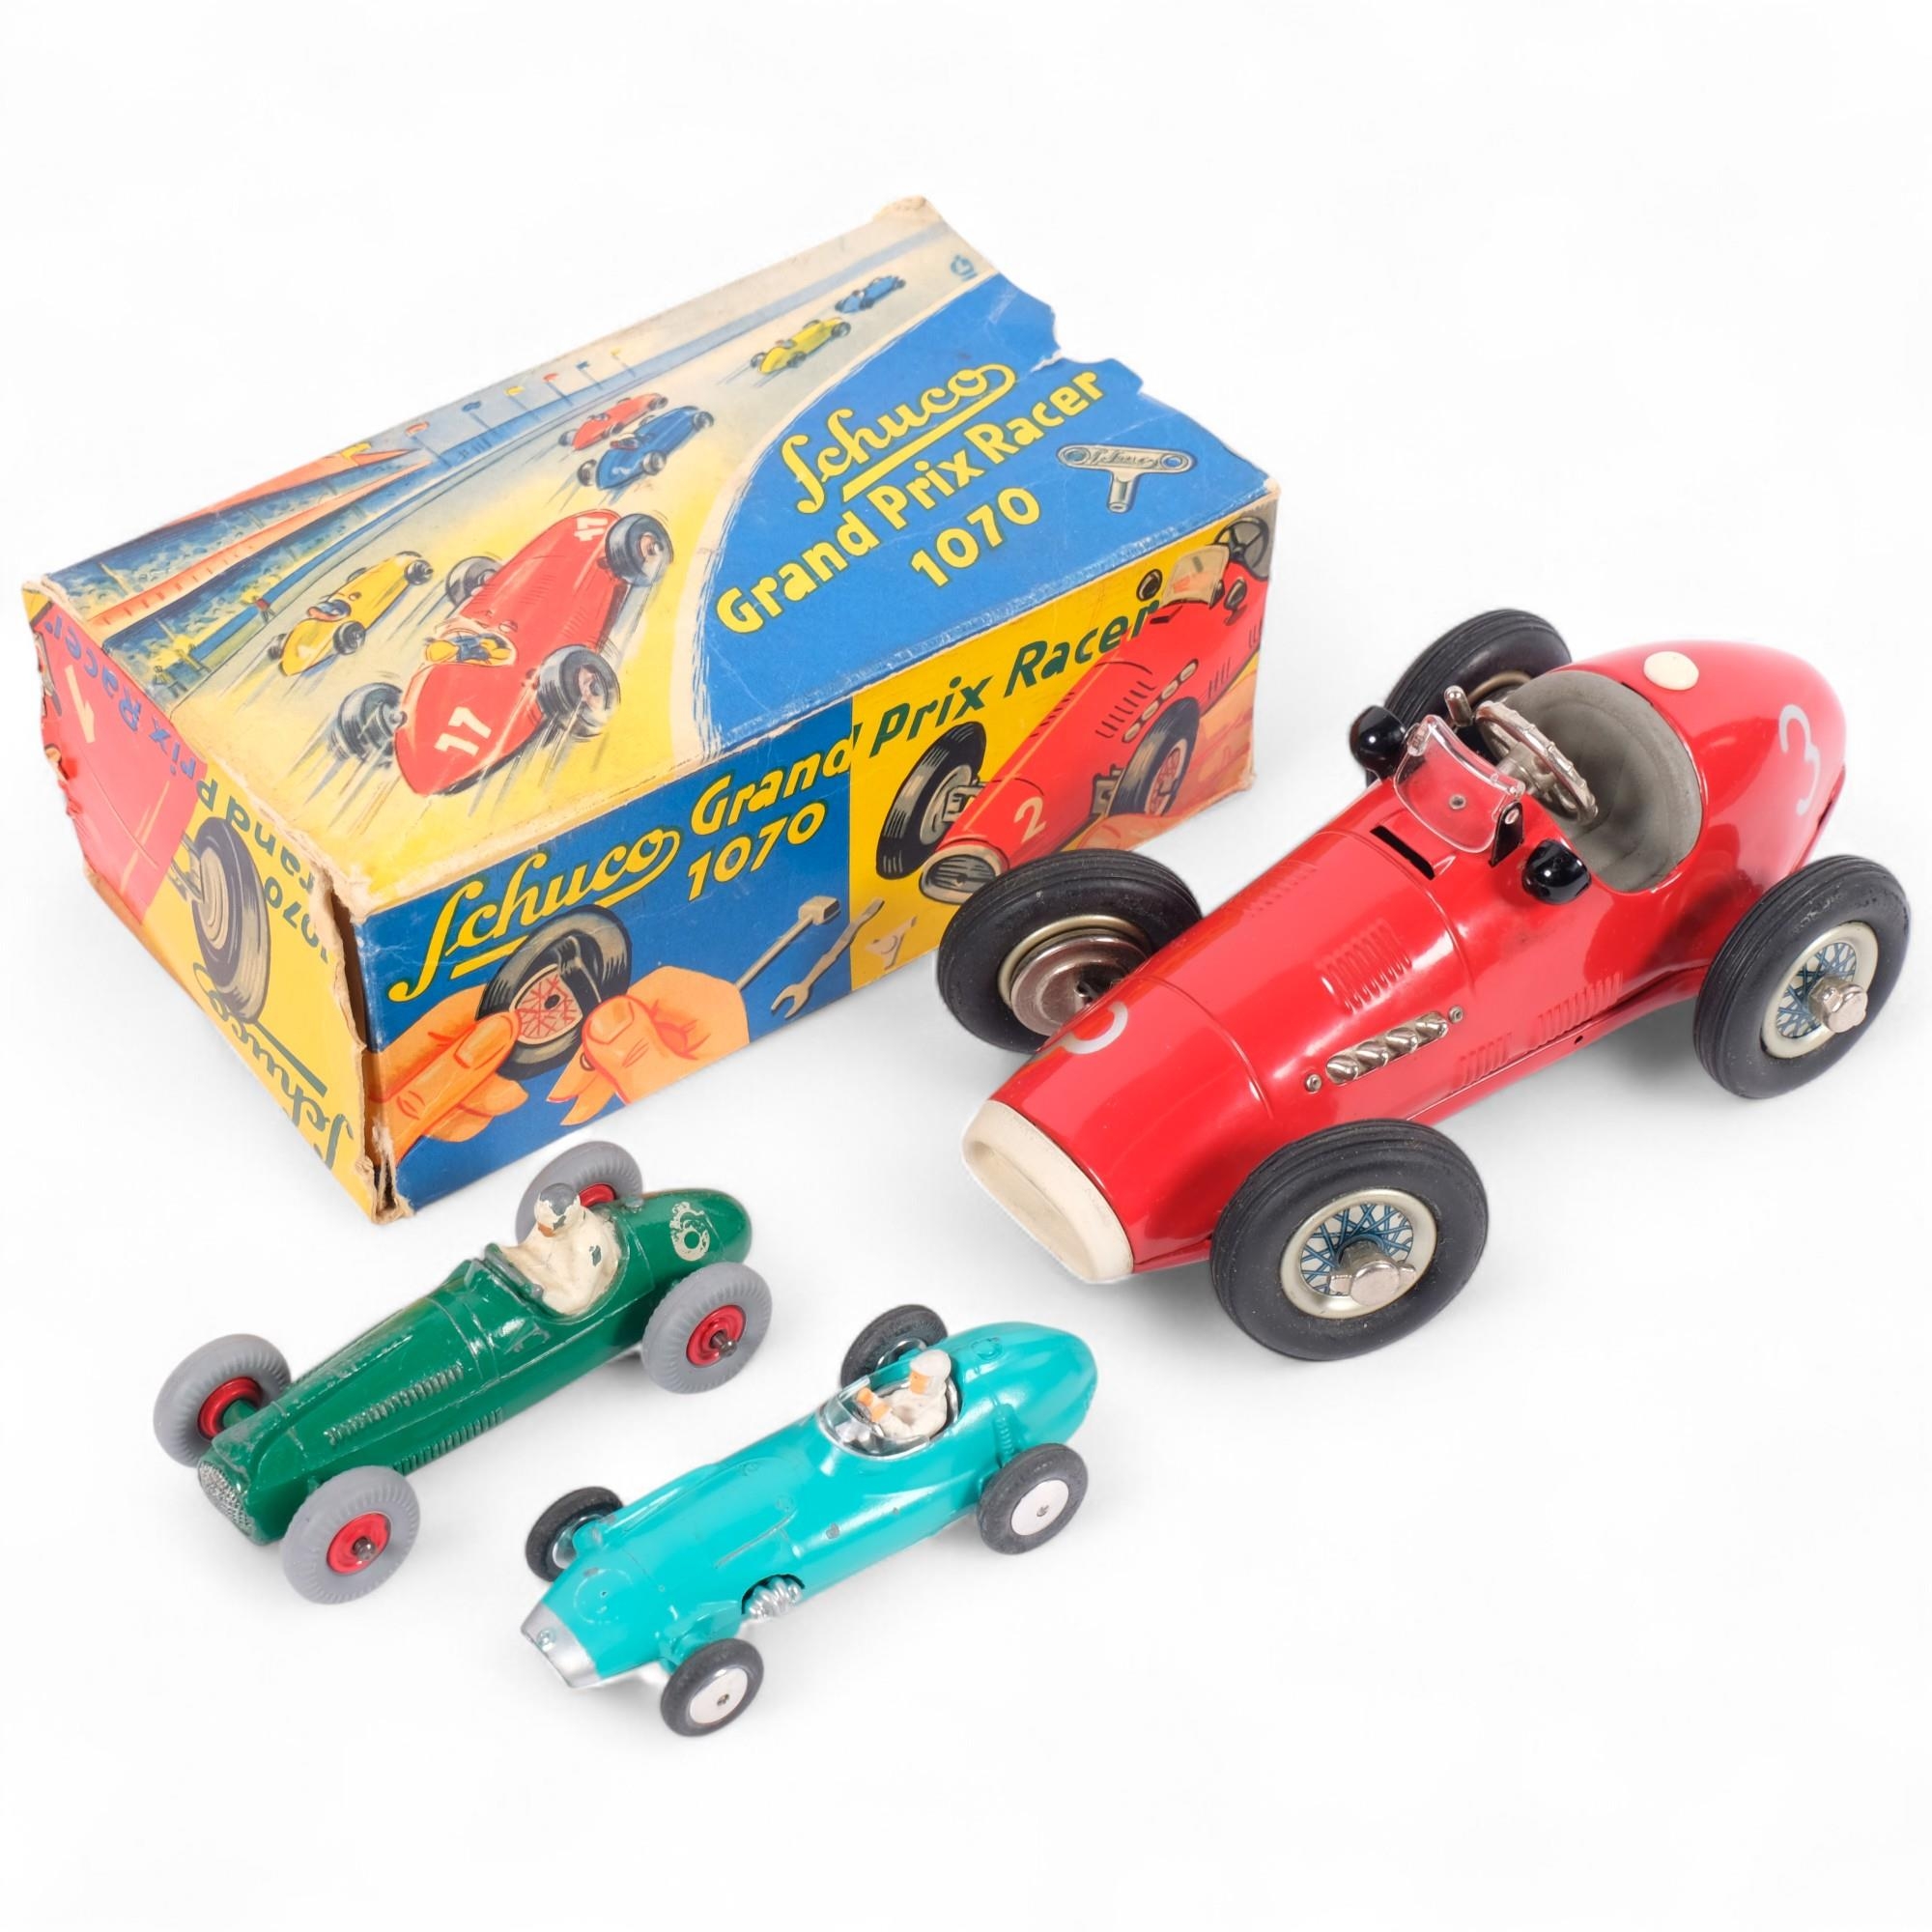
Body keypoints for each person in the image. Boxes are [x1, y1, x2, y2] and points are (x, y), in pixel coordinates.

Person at [501, 1184, 619, 1317]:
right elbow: (527, 1249)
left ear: (565, 1221)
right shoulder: (547, 1222)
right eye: (539, 1221)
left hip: (567, 1288)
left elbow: (578, 1298)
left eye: (546, 1225)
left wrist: (542, 1293)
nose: (539, 1228)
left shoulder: (586, 1245)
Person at [852, 1349, 952, 1447]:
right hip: (873, 1430)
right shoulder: (914, 1391)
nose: (910, 1379)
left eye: (916, 1377)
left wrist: (884, 1417)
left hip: (889, 1445)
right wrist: (871, 1400)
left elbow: (907, 1439)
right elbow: (888, 1403)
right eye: (912, 1374)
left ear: (932, 1383)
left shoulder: (936, 1415)